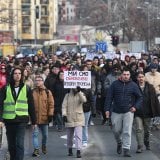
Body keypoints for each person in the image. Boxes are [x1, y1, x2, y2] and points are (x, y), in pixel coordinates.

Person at [104, 68, 143, 157]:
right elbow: (109, 97)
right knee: (116, 130)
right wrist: (107, 109)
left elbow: (140, 97)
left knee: (127, 131)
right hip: (116, 111)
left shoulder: (133, 85)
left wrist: (135, 107)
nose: (126, 76)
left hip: (128, 111)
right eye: (124, 74)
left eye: (127, 75)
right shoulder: (114, 84)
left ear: (130, 75)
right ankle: (119, 142)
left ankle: (126, 149)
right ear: (121, 75)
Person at [0, 67, 36, 160]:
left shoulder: (26, 88)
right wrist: (0, 120)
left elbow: (31, 105)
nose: (17, 75)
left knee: (19, 143)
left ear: (22, 75)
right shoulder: (5, 88)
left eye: (19, 73)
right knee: (11, 144)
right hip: (9, 120)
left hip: (21, 120)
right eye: (15, 73)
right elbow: (0, 104)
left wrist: (34, 121)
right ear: (12, 75)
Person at [135, 71, 160, 153]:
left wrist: (157, 111)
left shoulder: (150, 87)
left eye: (142, 77)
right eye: (139, 77)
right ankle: (140, 146)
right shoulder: (134, 87)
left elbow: (155, 100)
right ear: (137, 78)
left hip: (148, 112)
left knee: (147, 130)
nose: (141, 78)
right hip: (137, 112)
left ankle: (146, 141)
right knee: (139, 129)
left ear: (145, 78)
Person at [32, 75, 54, 157]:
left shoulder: (48, 92)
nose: (37, 81)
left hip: (45, 117)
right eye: (36, 80)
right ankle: (36, 150)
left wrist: (50, 114)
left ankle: (43, 146)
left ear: (43, 81)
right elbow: (29, 105)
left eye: (39, 80)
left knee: (45, 135)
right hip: (35, 118)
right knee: (35, 134)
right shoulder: (32, 92)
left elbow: (51, 104)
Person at [62, 87, 86, 158]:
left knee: (78, 135)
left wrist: (79, 92)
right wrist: (64, 115)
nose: (74, 88)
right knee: (69, 136)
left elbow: (84, 100)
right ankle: (70, 149)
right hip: (69, 117)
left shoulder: (81, 94)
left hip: (79, 118)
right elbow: (64, 106)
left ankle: (78, 151)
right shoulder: (67, 95)